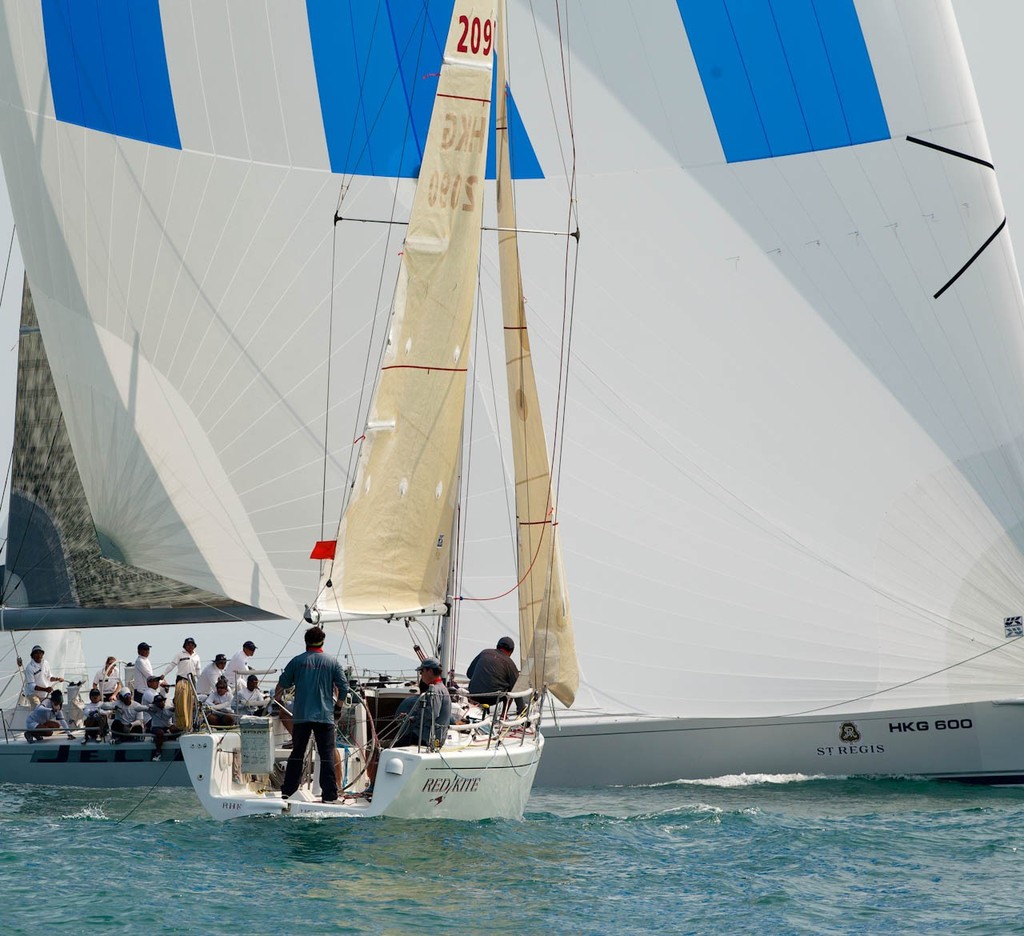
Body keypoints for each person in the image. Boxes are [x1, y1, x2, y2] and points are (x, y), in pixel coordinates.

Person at [275, 626, 353, 803]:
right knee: (326, 755)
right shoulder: (332, 662)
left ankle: (288, 792)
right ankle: (330, 796)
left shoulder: (297, 661)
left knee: (297, 753)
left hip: (302, 715)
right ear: (322, 641)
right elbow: (344, 687)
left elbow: (282, 683)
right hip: (325, 716)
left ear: (306, 642)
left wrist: (277, 700)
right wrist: (338, 707)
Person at [393, 658, 451, 749]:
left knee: (393, 747)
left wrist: (413, 719)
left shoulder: (434, 689)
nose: (421, 674)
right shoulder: (441, 688)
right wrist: (411, 718)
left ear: (430, 671)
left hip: (427, 738)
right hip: (434, 736)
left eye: (422, 671)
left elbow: (432, 714)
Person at [466, 636, 524, 713]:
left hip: (474, 695)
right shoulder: (510, 664)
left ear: (497, 646)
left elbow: (469, 674)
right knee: (511, 688)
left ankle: (483, 711)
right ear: (511, 651)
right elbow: (516, 689)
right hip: (492, 698)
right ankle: (503, 715)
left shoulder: (484, 653)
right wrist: (521, 709)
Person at [169, 637, 200, 731]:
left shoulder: (196, 656)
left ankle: (190, 725)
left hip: (192, 681)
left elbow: (198, 671)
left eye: (192, 645)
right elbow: (172, 665)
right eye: (188, 644)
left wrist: (201, 682)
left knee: (191, 703)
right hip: (182, 680)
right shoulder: (179, 654)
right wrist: (163, 675)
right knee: (181, 703)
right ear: (185, 646)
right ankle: (182, 725)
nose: (190, 646)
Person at [147, 693, 180, 761]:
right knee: (160, 733)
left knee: (176, 729)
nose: (161, 703)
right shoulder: (152, 708)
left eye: (162, 701)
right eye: (158, 702)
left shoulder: (168, 709)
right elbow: (139, 708)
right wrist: (147, 707)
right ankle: (158, 752)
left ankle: (174, 745)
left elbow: (176, 713)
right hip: (156, 727)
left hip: (167, 727)